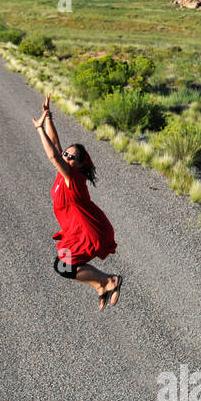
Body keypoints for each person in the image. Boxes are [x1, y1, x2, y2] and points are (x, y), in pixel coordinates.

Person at [32, 94, 121, 309]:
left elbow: (53, 155)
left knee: (63, 266)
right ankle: (101, 285)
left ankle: (110, 281)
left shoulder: (74, 177)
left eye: (72, 157)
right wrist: (49, 116)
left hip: (88, 230)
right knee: (66, 265)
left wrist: (39, 129)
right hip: (74, 232)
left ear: (80, 165)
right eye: (66, 155)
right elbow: (56, 146)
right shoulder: (64, 172)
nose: (67, 158)